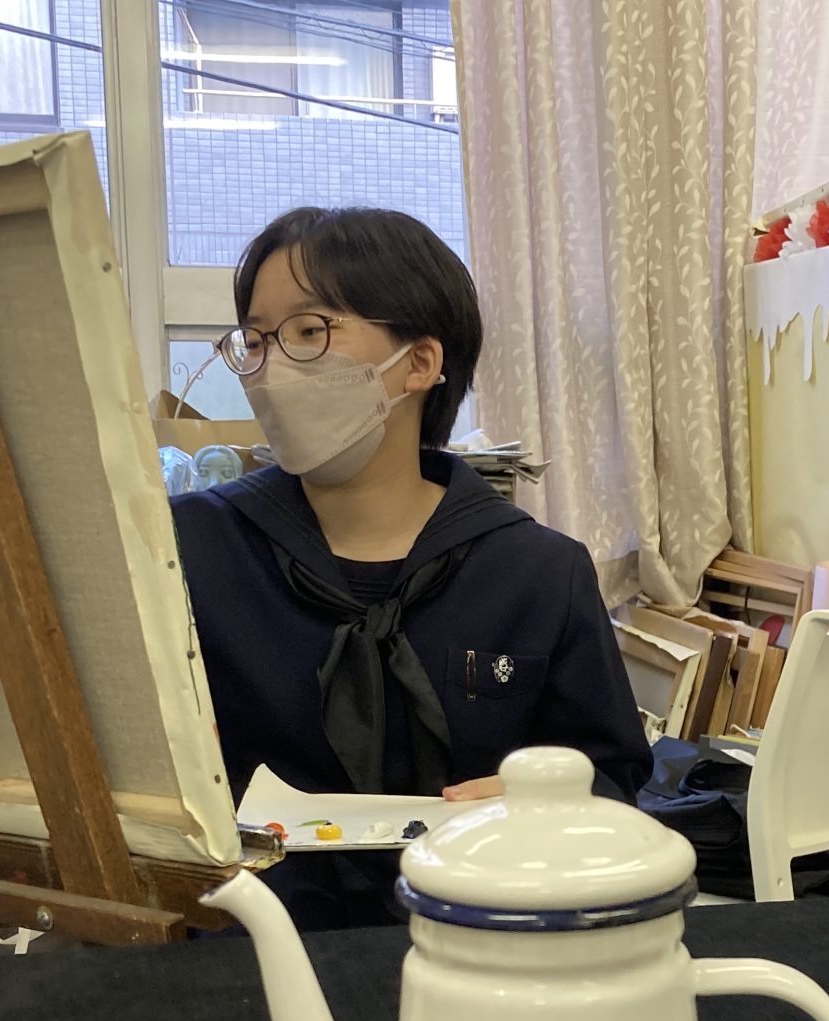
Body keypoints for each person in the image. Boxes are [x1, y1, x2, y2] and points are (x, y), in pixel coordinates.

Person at [170, 206, 650, 929]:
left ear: (420, 363)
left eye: (308, 331)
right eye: (256, 340)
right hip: (249, 946)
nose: (269, 369)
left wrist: (552, 802)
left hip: (481, 941)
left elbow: (613, 778)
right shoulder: (191, 548)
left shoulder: (538, 571)